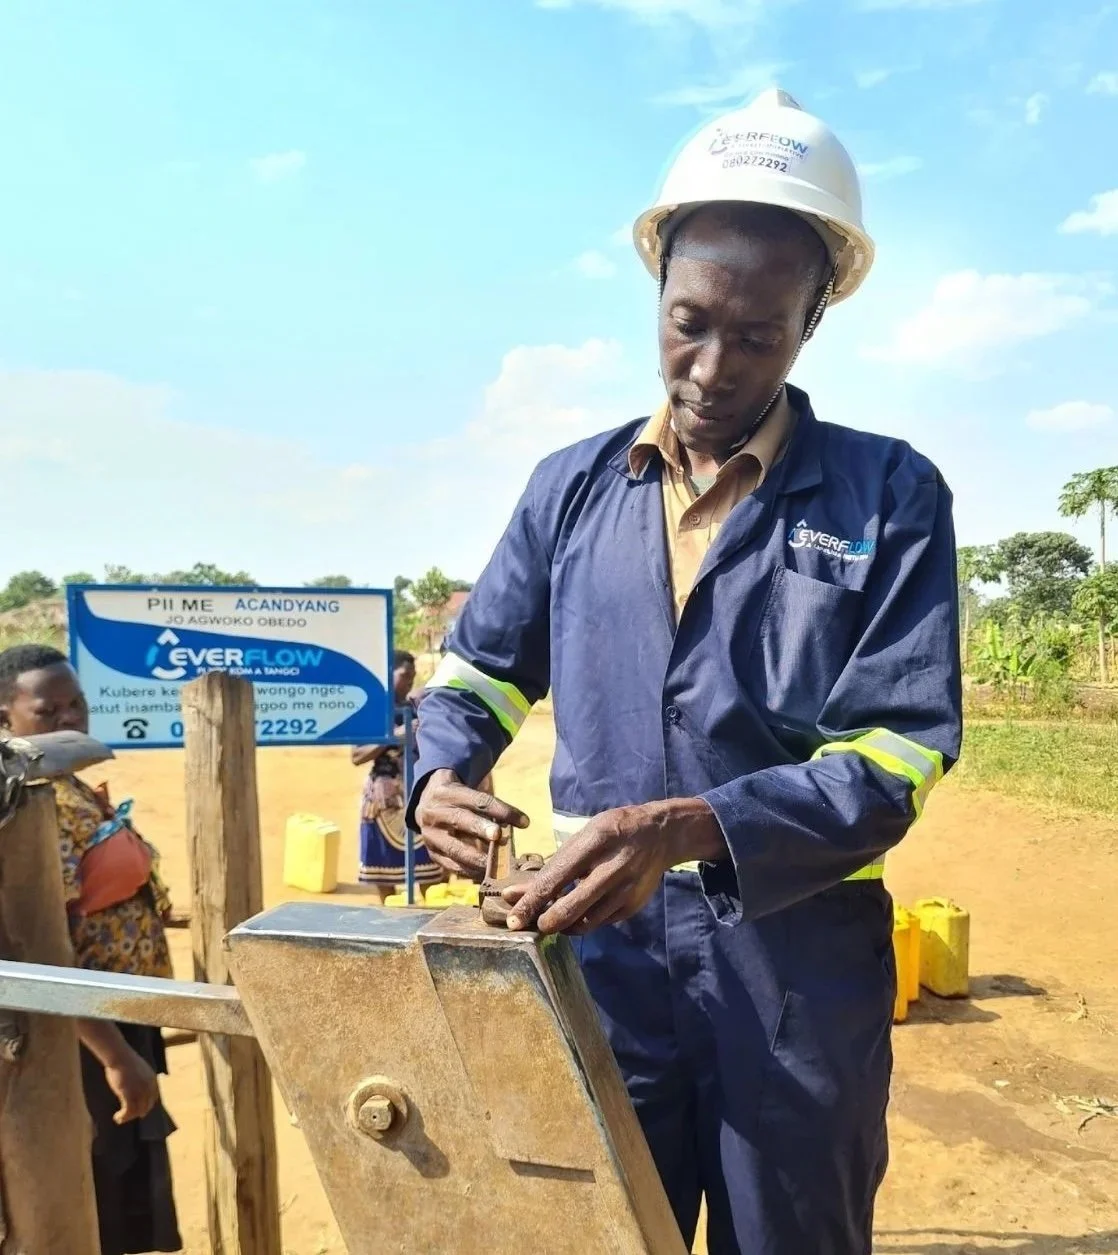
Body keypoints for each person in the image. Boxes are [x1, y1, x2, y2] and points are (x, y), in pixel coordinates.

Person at [408, 89, 961, 1254]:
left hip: (792, 980)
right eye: (688, 320)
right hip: (597, 961)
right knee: (603, 1229)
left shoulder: (889, 496)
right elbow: (475, 672)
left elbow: (895, 752)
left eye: (757, 333)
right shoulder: (570, 486)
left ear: (813, 320)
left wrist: (691, 825)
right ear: (655, 289)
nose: (710, 366)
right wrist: (435, 773)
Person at [0, 644, 183, 1255]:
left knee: (124, 1186)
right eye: (47, 710)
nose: (68, 720)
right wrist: (114, 1056)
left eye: (75, 703)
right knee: (95, 1187)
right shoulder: (25, 805)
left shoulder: (62, 784)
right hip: (77, 1034)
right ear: (6, 719)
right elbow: (41, 947)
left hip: (116, 1013)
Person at [353, 650, 448, 899]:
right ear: (388, 673)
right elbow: (357, 755)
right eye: (404, 675)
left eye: (412, 676)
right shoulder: (373, 708)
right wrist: (393, 736)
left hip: (414, 792)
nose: (409, 681)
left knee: (428, 870)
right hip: (384, 799)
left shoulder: (415, 707)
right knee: (384, 870)